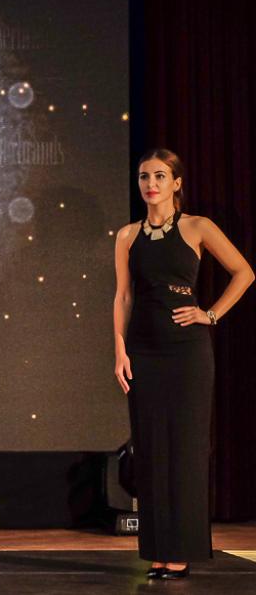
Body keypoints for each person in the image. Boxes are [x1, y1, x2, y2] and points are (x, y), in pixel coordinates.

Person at [113, 148, 253, 579]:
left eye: (160, 176)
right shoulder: (127, 235)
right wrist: (119, 348)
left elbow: (244, 273)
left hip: (187, 352)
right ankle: (158, 551)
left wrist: (210, 314)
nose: (150, 184)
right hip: (143, 351)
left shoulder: (197, 226)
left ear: (176, 183)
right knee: (151, 451)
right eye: (144, 176)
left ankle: (182, 551)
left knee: (186, 451)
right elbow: (124, 296)